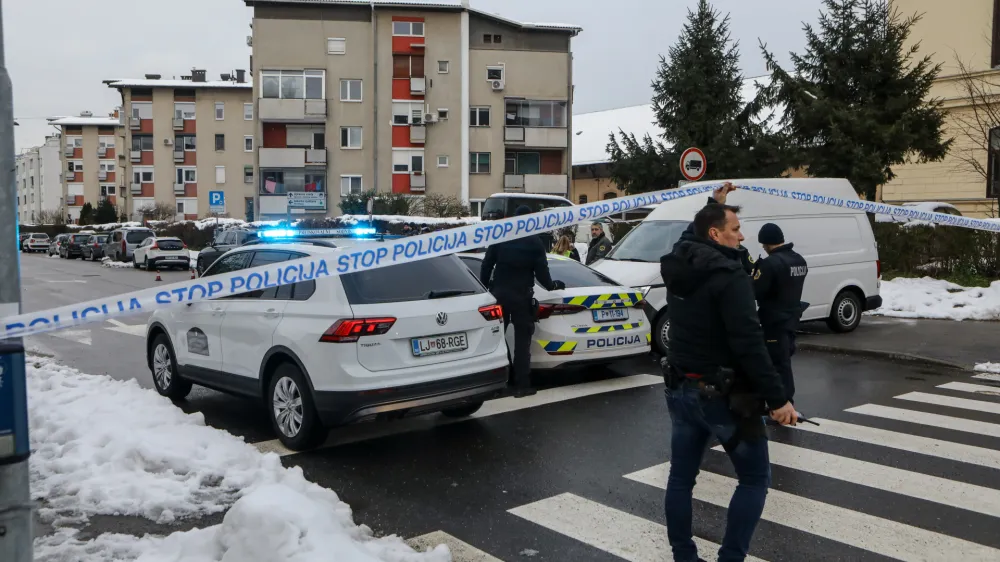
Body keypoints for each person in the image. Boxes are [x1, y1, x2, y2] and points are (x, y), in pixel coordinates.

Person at [660, 194, 796, 562]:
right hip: (721, 396)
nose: (743, 236)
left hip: (680, 388)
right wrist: (779, 399)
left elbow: (691, 233)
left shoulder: (679, 261)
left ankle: (683, 557)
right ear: (716, 235)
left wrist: (712, 202)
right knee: (754, 479)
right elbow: (750, 343)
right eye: (735, 229)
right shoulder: (729, 275)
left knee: (680, 480)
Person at [480, 206, 566, 398]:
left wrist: (485, 290)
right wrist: (553, 285)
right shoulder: (534, 242)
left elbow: (486, 265)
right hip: (521, 297)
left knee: (496, 339)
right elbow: (543, 275)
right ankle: (522, 384)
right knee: (522, 341)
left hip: (499, 295)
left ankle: (498, 382)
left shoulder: (501, 238)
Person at [752, 223, 808, 404]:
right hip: (791, 318)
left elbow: (756, 291)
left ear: (767, 244)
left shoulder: (770, 263)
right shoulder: (799, 259)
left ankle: (783, 404)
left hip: (773, 321)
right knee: (783, 360)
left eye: (763, 244)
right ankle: (782, 402)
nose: (763, 248)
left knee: (776, 364)